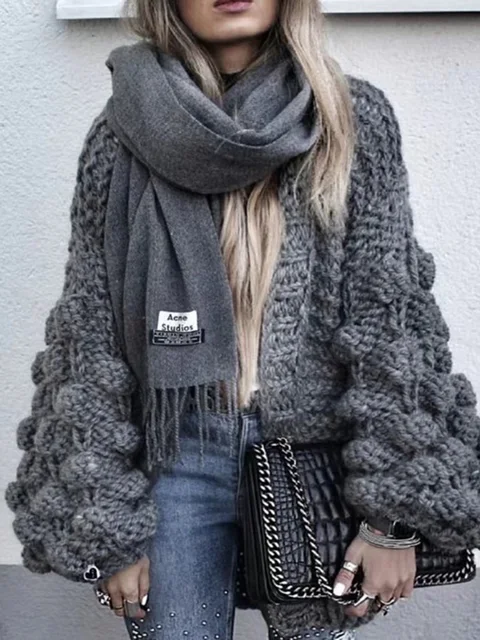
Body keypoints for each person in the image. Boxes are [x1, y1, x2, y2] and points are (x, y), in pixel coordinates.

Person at [6, 1, 480, 639]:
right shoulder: (123, 133)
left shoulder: (349, 118)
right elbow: (90, 334)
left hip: (317, 461)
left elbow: (389, 316)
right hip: (176, 455)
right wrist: (109, 524)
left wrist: (390, 521)